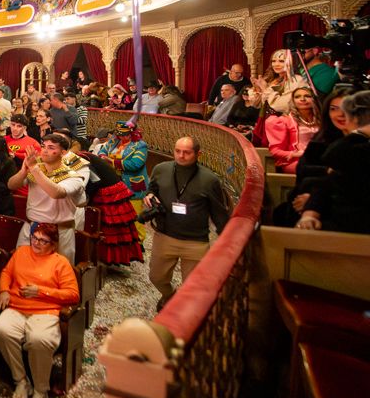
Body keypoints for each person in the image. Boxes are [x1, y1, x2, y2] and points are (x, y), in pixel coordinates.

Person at [0, 222, 80, 398]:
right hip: (16, 307)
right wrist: (4, 290)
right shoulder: (21, 252)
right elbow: (7, 272)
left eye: (43, 240)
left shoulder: (60, 263)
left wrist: (41, 292)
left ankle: (41, 390)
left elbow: (73, 295)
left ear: (53, 245)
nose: (37, 242)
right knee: (2, 328)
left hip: (45, 311)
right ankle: (21, 381)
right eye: (35, 238)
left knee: (39, 339)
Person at [144, 136, 232, 309]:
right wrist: (149, 196)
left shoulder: (209, 180)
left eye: (187, 152)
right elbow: (152, 189)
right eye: (178, 151)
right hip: (165, 235)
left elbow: (219, 213)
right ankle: (170, 295)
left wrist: (227, 244)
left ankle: (180, 315)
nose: (181, 156)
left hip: (195, 242)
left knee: (193, 287)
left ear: (198, 154)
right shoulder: (161, 169)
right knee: (157, 277)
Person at [297, 91, 370, 234]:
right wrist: (311, 210)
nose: (341, 114)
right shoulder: (325, 141)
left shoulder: (357, 144)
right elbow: (324, 179)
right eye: (334, 108)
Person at [8, 133, 88, 262]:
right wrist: (23, 171)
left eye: (51, 148)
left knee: (57, 273)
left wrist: (34, 168)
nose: (45, 150)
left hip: (60, 231)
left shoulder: (73, 176)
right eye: (43, 146)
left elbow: (56, 193)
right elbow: (11, 185)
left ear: (63, 152)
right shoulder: (36, 169)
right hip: (31, 227)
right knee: (23, 269)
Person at [265, 86, 320, 173]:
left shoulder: (322, 120)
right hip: (296, 160)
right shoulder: (284, 121)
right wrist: (295, 154)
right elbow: (275, 151)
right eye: (297, 97)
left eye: (307, 96)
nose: (302, 99)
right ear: (293, 101)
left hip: (319, 158)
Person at [98, 122, 149, 198]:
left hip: (132, 185)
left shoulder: (140, 145)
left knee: (136, 208)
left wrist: (111, 162)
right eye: (120, 135)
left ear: (132, 133)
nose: (122, 137)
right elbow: (102, 152)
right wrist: (103, 157)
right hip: (114, 182)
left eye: (125, 134)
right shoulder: (113, 142)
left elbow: (134, 164)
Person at [250, 50, 305, 115]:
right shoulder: (271, 79)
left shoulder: (296, 80)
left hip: (286, 121)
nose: (276, 64)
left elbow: (283, 105)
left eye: (281, 61)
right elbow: (256, 105)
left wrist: (265, 89)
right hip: (268, 120)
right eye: (273, 61)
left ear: (291, 62)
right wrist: (258, 89)